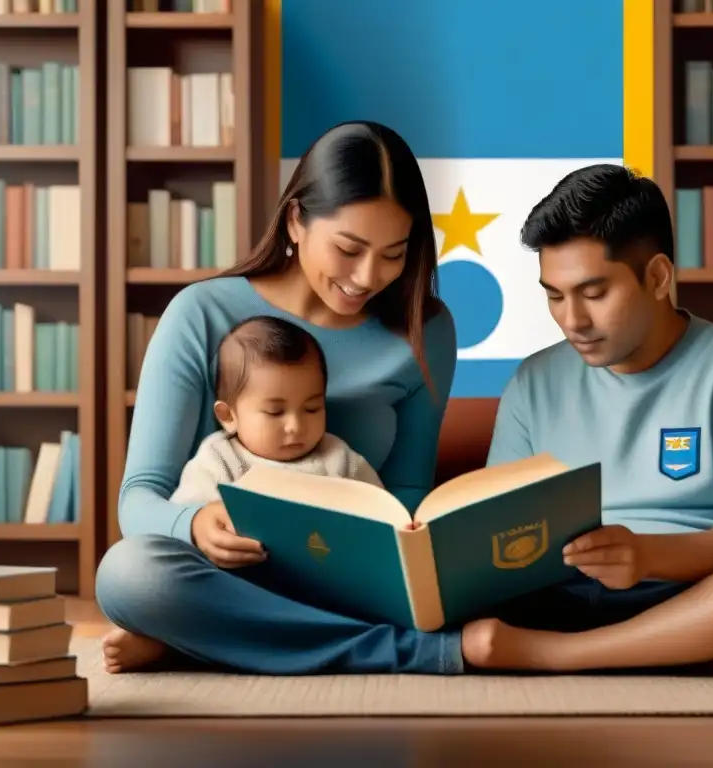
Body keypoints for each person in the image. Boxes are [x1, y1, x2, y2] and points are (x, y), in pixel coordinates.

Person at [95, 121, 472, 675]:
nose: (369, 276)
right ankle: (419, 654)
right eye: (349, 249)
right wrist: (196, 526)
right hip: (229, 571)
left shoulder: (425, 329)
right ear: (296, 220)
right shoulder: (200, 314)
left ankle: (204, 640)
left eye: (394, 253)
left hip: (350, 579)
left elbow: (409, 489)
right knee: (131, 575)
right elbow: (140, 498)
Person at [460, 164, 713, 679]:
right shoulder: (533, 380)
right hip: (557, 591)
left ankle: (555, 656)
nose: (572, 321)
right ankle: (692, 653)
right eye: (554, 295)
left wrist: (649, 556)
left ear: (657, 277)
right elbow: (493, 517)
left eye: (594, 293)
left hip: (693, 589)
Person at [169, 314, 384, 511]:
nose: (296, 426)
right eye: (275, 412)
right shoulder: (219, 460)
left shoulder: (339, 458)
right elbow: (189, 516)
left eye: (312, 408)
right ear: (228, 416)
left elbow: (382, 507)